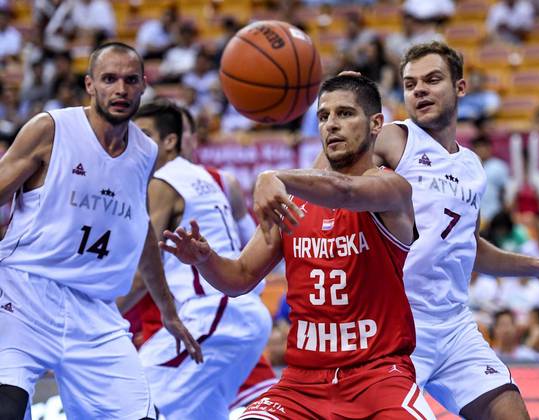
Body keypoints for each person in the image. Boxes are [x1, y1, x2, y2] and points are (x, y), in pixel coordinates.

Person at [336, 42, 539, 419]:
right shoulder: (397, 138)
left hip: (455, 326)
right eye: (410, 84)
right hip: (397, 327)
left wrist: (538, 266)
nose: (419, 90)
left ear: (460, 87)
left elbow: (468, 246)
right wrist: (345, 110)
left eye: (432, 79)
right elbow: (332, 177)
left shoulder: (473, 167)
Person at [161, 75, 435, 419]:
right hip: (302, 385)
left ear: (376, 123)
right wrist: (204, 259)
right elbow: (239, 278)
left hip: (378, 377)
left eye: (346, 114)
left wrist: (274, 176)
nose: (332, 125)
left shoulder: (391, 189)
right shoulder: (289, 203)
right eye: (323, 116)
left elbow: (345, 191)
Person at [0, 42, 201, 420]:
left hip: (94, 311)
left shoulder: (145, 151)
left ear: (144, 85)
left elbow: (140, 231)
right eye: (109, 79)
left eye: (130, 80)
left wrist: (168, 311)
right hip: (23, 294)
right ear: (90, 85)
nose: (120, 89)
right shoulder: (51, 128)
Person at [115, 101, 272, 419]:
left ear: (170, 141)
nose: (136, 146)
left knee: (130, 400)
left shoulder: (163, 180)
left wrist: (103, 311)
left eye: (144, 137)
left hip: (213, 313)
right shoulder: (213, 178)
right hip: (238, 314)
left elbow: (145, 265)